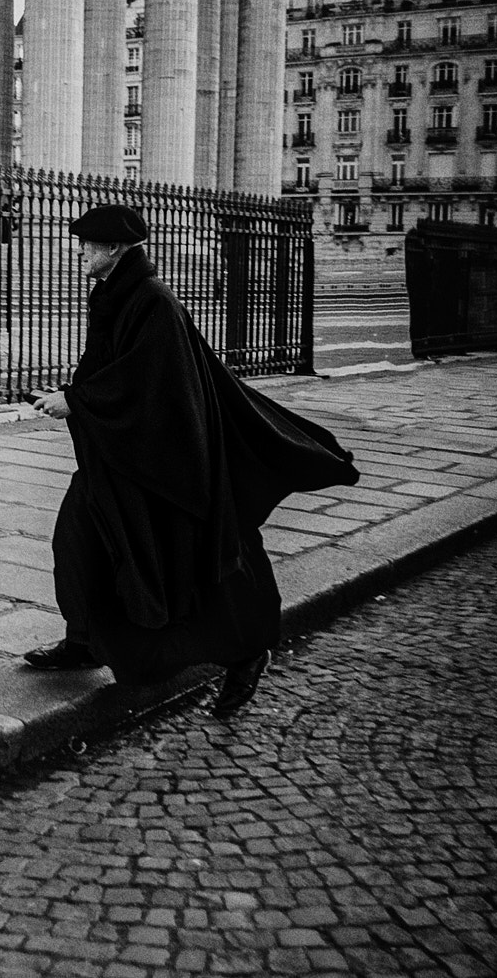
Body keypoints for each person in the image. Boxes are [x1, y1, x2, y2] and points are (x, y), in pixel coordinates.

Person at [22, 203, 358, 717]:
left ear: (113, 248)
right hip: (121, 455)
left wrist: (78, 402)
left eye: (87, 245)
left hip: (165, 464)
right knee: (78, 542)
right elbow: (111, 368)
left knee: (200, 562)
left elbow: (151, 381)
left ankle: (247, 654)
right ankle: (85, 641)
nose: (81, 253)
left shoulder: (153, 300)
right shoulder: (114, 294)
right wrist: (71, 394)